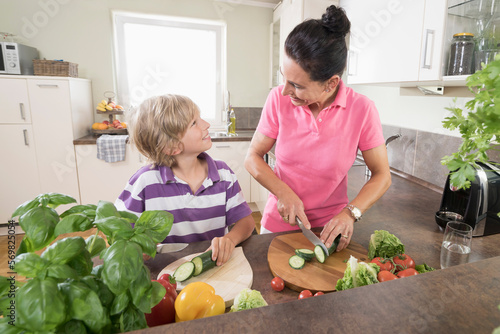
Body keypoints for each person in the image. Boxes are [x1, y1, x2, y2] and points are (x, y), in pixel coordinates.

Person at [244, 5, 391, 252]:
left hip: (329, 230)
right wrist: (283, 192)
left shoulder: (362, 109)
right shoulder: (278, 100)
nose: (284, 90)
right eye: (284, 77)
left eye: (296, 85)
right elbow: (252, 157)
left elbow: (382, 175)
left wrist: (350, 213)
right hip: (278, 224)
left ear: (331, 83)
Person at [115, 94, 255, 265]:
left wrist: (230, 240)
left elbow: (246, 222)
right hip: (167, 271)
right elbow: (119, 231)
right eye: (194, 123)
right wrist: (137, 246)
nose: (206, 125)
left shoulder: (223, 174)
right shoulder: (144, 182)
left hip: (215, 267)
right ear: (171, 146)